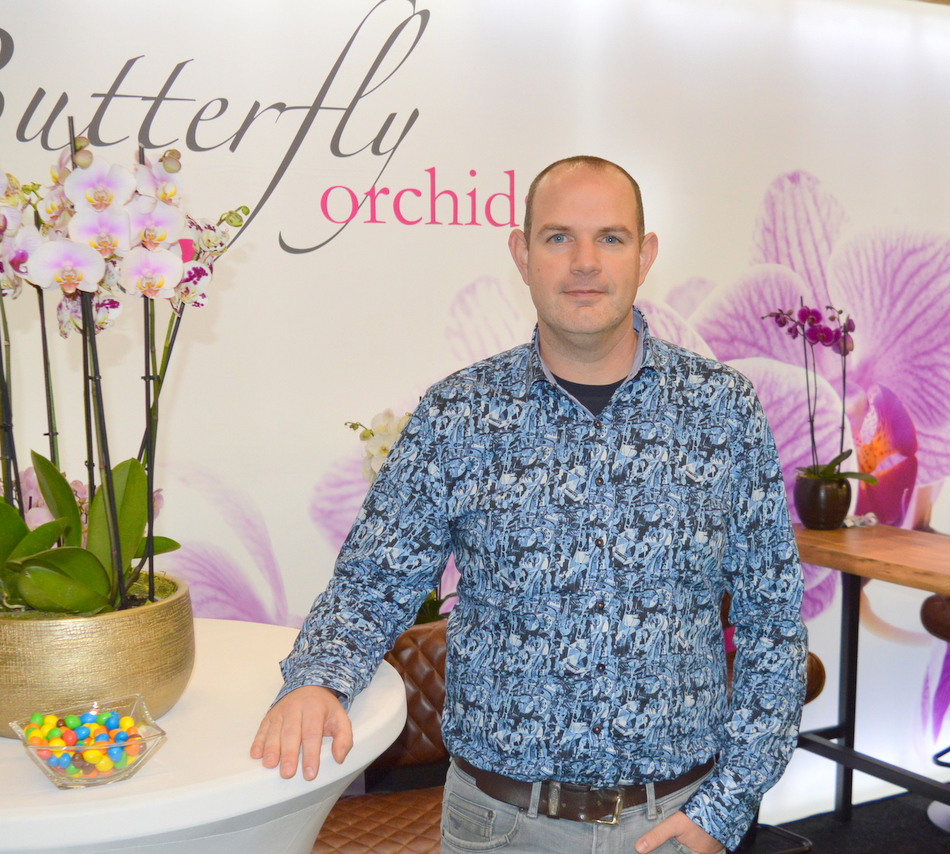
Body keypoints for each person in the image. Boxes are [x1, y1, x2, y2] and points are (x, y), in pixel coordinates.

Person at [251, 156, 807, 853]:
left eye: (610, 238)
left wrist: (729, 805)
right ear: (521, 254)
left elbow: (772, 618)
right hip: (501, 827)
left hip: (675, 823)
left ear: (645, 256)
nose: (584, 262)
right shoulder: (459, 414)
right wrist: (317, 680)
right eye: (557, 237)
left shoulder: (721, 410)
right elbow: (372, 581)